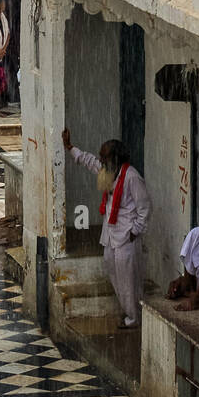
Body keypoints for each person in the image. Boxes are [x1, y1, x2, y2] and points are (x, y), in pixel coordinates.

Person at [62, 128, 151, 329]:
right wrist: (70, 147)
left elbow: (145, 208)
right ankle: (130, 312)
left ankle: (134, 318)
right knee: (114, 272)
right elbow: (89, 160)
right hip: (110, 235)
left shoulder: (132, 177)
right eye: (101, 156)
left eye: (104, 156)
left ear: (115, 158)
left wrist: (135, 231)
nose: (100, 160)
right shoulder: (107, 172)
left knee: (128, 279)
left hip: (127, 236)